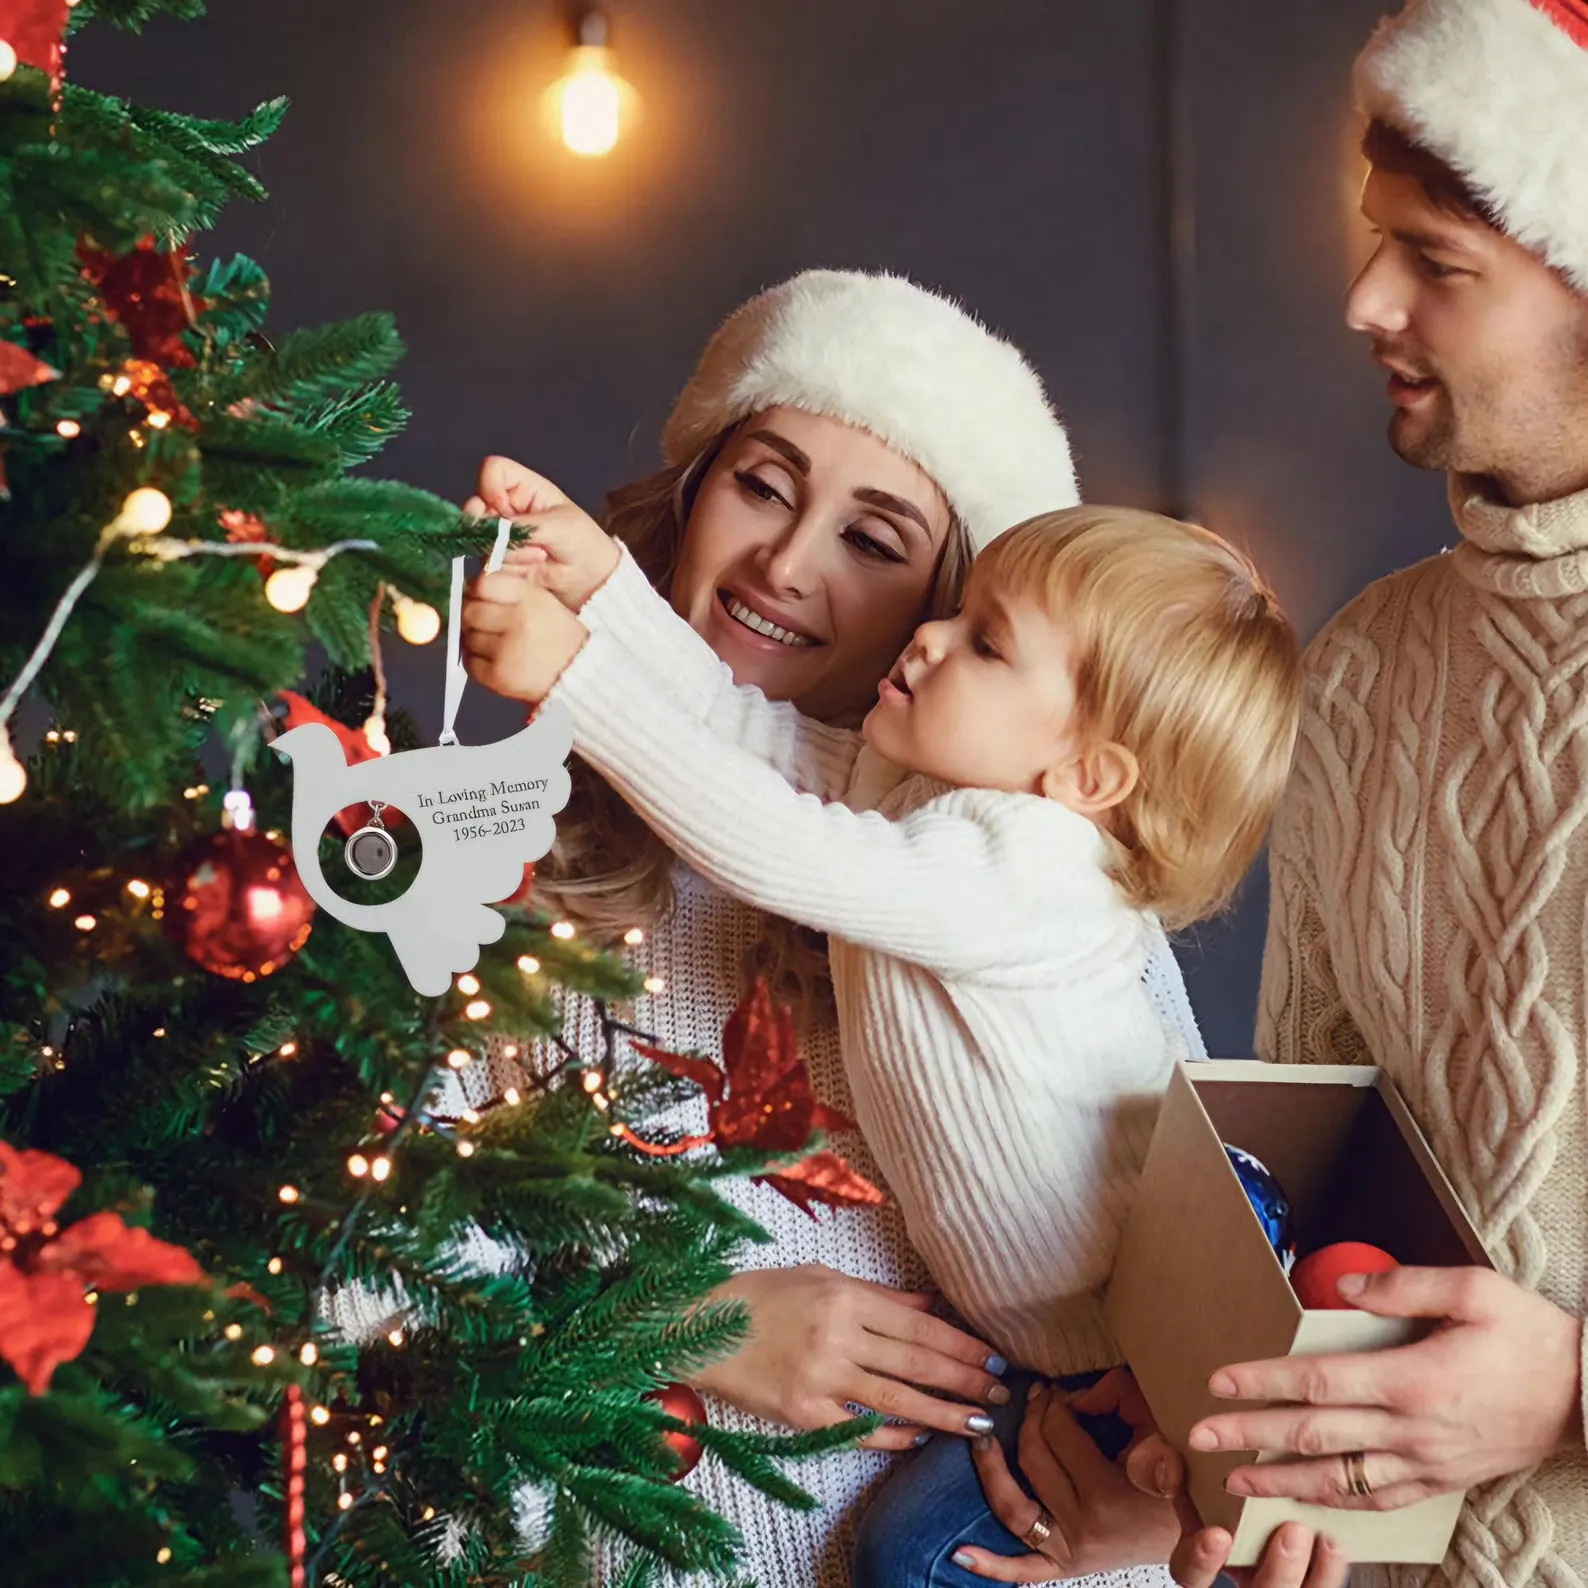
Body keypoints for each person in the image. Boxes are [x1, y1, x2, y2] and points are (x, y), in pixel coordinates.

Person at [961, 2, 1588, 1585]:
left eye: (1438, 263)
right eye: (1379, 244)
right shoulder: (1369, 667)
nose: (1366, 300)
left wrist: (1569, 1391)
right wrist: (1212, 1408)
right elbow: (1310, 1155)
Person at [462, 269, 1212, 1586]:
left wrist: (1165, 1510)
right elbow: (347, 1275)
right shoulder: (495, 863)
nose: (786, 566)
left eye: (874, 542)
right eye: (762, 485)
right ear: (694, 492)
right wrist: (683, 1327)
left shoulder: (1046, 884)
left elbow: (1188, 1285)